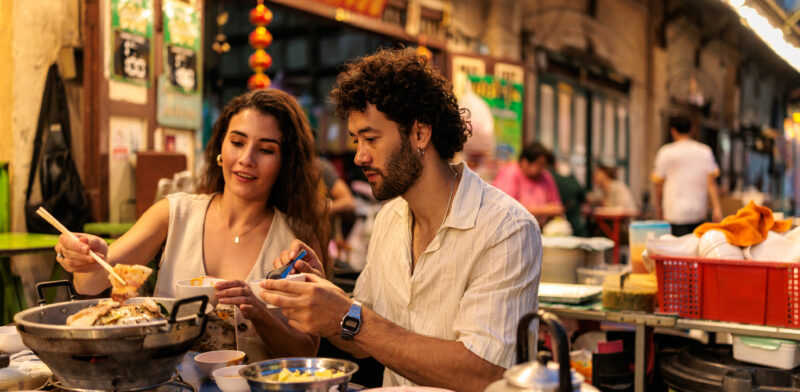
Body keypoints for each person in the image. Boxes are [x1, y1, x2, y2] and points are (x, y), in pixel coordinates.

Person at [260, 48, 542, 391]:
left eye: (371, 139)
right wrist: (324, 296)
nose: (360, 156)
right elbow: (360, 342)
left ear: (419, 133)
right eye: (356, 141)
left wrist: (348, 317)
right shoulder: (390, 218)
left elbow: (483, 372)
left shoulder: (506, 229)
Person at [53, 88, 328, 362]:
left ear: (285, 163)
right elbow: (95, 279)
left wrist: (257, 310)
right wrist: (89, 257)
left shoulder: (296, 241)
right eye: (237, 142)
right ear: (221, 146)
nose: (247, 158)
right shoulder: (175, 213)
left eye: (266, 149)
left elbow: (304, 352)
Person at [652, 115, 722, 236]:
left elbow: (659, 184)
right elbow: (711, 183)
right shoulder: (705, 151)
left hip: (673, 212)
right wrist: (717, 208)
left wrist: (658, 207)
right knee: (695, 251)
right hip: (698, 211)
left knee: (676, 251)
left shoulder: (665, 152)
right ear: (692, 129)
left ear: (673, 131)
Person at [492, 142, 564, 227]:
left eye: (544, 165)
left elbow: (555, 206)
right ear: (525, 162)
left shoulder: (546, 177)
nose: (541, 169)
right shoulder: (510, 173)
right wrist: (543, 210)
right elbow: (506, 207)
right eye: (539, 164)